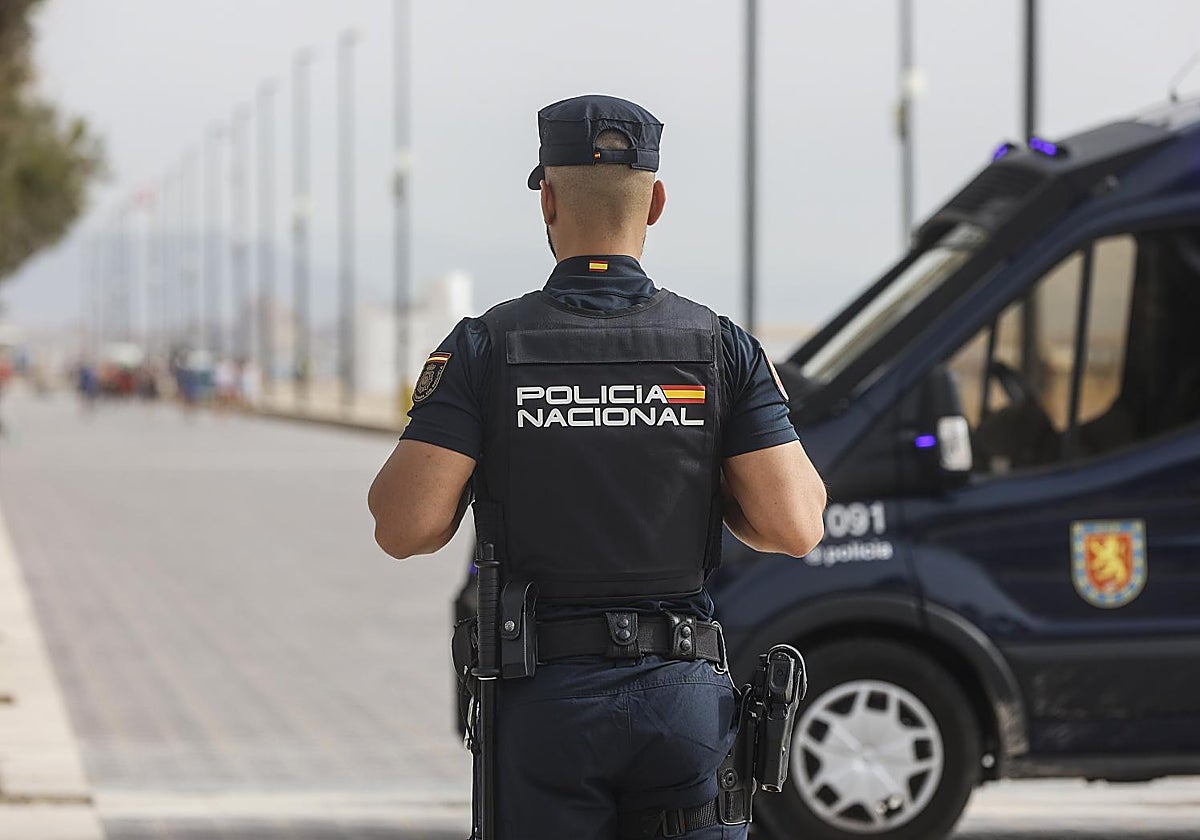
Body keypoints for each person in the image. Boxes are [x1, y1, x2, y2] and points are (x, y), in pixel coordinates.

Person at [368, 94, 826, 840]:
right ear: (658, 204)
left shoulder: (486, 348)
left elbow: (403, 527)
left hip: (544, 702)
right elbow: (796, 526)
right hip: (683, 701)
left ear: (546, 200)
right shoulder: (720, 349)